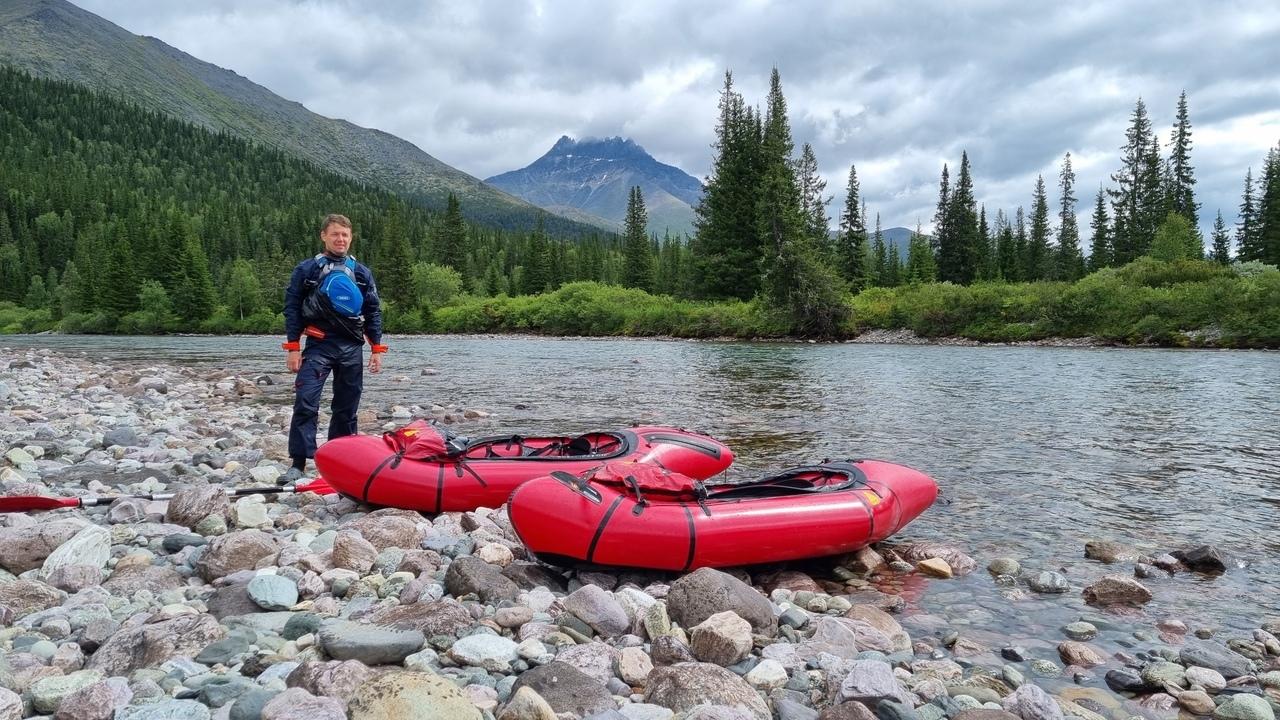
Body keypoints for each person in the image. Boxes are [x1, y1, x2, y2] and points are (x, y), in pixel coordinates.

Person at [280, 213, 386, 483]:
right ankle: (299, 462)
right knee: (306, 401)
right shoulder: (307, 270)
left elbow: (373, 311)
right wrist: (293, 347)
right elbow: (292, 308)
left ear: (351, 238)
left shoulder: (362, 273)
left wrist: (376, 348)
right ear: (324, 236)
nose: (341, 239)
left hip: (351, 347)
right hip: (318, 345)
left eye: (345, 235)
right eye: (335, 234)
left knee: (347, 406)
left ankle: (340, 459)